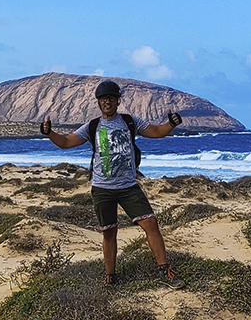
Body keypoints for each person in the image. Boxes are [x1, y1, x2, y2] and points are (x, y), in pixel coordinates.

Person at [40, 80, 185, 289]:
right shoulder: (92, 126)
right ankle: (110, 277)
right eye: (103, 99)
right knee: (109, 232)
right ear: (99, 102)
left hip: (128, 187)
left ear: (118, 101)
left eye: (111, 98)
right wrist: (49, 133)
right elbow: (65, 142)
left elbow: (155, 132)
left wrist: (171, 124)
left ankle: (166, 272)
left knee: (151, 224)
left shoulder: (129, 121)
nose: (107, 102)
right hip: (102, 189)